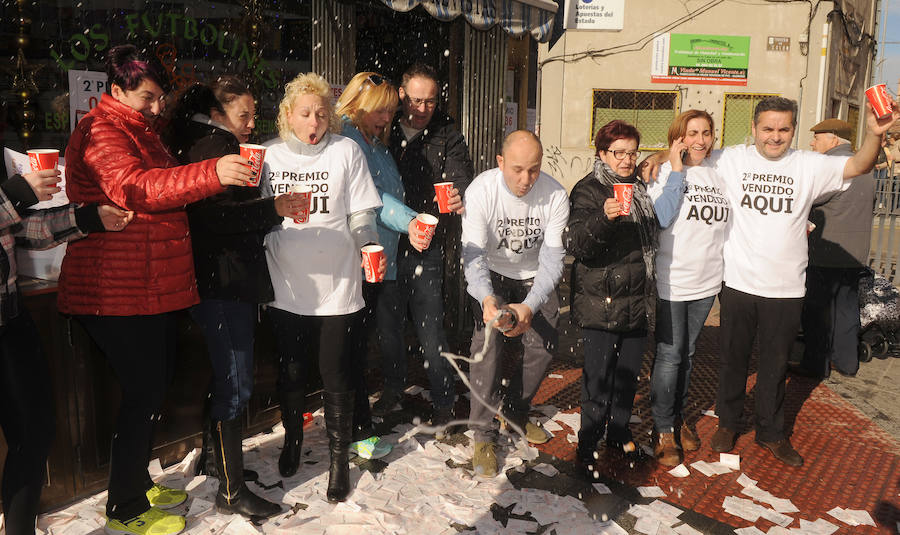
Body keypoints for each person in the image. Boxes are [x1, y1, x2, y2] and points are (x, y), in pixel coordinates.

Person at [58, 44, 254, 535]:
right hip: (113, 289)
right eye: (146, 97)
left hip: (148, 286)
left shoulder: (138, 128)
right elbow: (138, 187)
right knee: (141, 394)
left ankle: (137, 485)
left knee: (150, 391)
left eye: (159, 97)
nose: (156, 106)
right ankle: (123, 509)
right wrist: (212, 172)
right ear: (115, 90)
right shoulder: (102, 130)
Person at [643, 96, 899, 467]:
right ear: (754, 129)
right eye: (768, 128)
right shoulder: (731, 158)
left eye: (783, 129)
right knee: (730, 362)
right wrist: (653, 157)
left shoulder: (810, 164)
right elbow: (687, 149)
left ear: (793, 130)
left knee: (775, 365)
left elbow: (859, 165)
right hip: (736, 282)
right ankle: (727, 425)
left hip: (786, 287)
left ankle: (771, 433)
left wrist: (875, 134)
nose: (775, 136)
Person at [165, 78, 298, 520]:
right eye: (244, 115)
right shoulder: (214, 146)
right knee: (236, 384)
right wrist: (272, 209)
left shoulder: (203, 142)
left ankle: (217, 464)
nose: (251, 123)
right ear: (218, 113)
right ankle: (231, 490)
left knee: (227, 377)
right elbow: (212, 219)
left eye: (254, 114)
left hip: (217, 282)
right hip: (224, 284)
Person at [262, 72, 384, 503]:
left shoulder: (346, 151)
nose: (313, 120)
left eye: (320, 112)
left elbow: (361, 214)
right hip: (286, 283)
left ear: (330, 115)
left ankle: (338, 459)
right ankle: (293, 440)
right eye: (305, 113)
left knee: (335, 371)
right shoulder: (268, 156)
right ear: (288, 116)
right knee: (292, 370)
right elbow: (255, 217)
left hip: (337, 282)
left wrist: (368, 245)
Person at [1, 168, 131, 535]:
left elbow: (19, 230)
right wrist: (14, 194)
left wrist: (89, 216)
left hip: (10, 315)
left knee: (34, 432)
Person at [461, 130, 569, 477]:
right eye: (518, 169)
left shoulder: (554, 194)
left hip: (534, 275)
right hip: (493, 274)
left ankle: (515, 412)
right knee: (486, 349)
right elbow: (473, 254)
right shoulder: (481, 190)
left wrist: (530, 305)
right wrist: (487, 298)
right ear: (500, 163)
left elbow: (553, 260)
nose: (526, 180)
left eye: (534, 170)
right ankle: (482, 433)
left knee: (545, 344)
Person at [336, 72, 433, 443]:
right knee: (351, 348)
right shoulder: (348, 141)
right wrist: (410, 222)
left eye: (391, 111)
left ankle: (358, 418)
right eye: (380, 110)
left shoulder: (373, 142)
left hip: (379, 260)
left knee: (364, 342)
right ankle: (353, 425)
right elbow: (371, 197)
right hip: (358, 258)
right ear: (358, 105)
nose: (386, 118)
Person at [379, 63, 474, 435]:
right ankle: (392, 391)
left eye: (430, 102)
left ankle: (444, 401)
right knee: (387, 326)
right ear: (402, 95)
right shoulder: (382, 127)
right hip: (385, 241)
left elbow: (462, 176)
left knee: (431, 326)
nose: (422, 109)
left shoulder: (446, 131)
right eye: (416, 100)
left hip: (426, 244)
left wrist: (457, 191)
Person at [566, 120, 659, 468]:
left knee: (627, 377)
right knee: (597, 380)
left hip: (637, 300)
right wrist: (604, 219)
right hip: (601, 303)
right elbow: (576, 244)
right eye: (618, 153)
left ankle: (619, 432)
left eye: (632, 152)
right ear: (602, 153)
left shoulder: (641, 189)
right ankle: (588, 441)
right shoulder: (588, 190)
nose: (626, 160)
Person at [645, 110, 729, 467]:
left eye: (706, 133)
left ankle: (678, 419)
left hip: (707, 279)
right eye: (691, 133)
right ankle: (662, 428)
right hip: (671, 278)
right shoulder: (661, 172)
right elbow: (661, 218)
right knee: (669, 355)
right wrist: (670, 162)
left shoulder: (721, 168)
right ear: (677, 137)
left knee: (689, 353)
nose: (700, 140)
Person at [794, 119, 876, 378]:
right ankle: (847, 363)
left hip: (825, 255)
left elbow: (808, 199)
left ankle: (816, 365)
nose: (812, 143)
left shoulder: (832, 167)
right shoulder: (865, 167)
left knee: (818, 312)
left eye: (817, 138)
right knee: (846, 309)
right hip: (854, 254)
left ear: (833, 139)